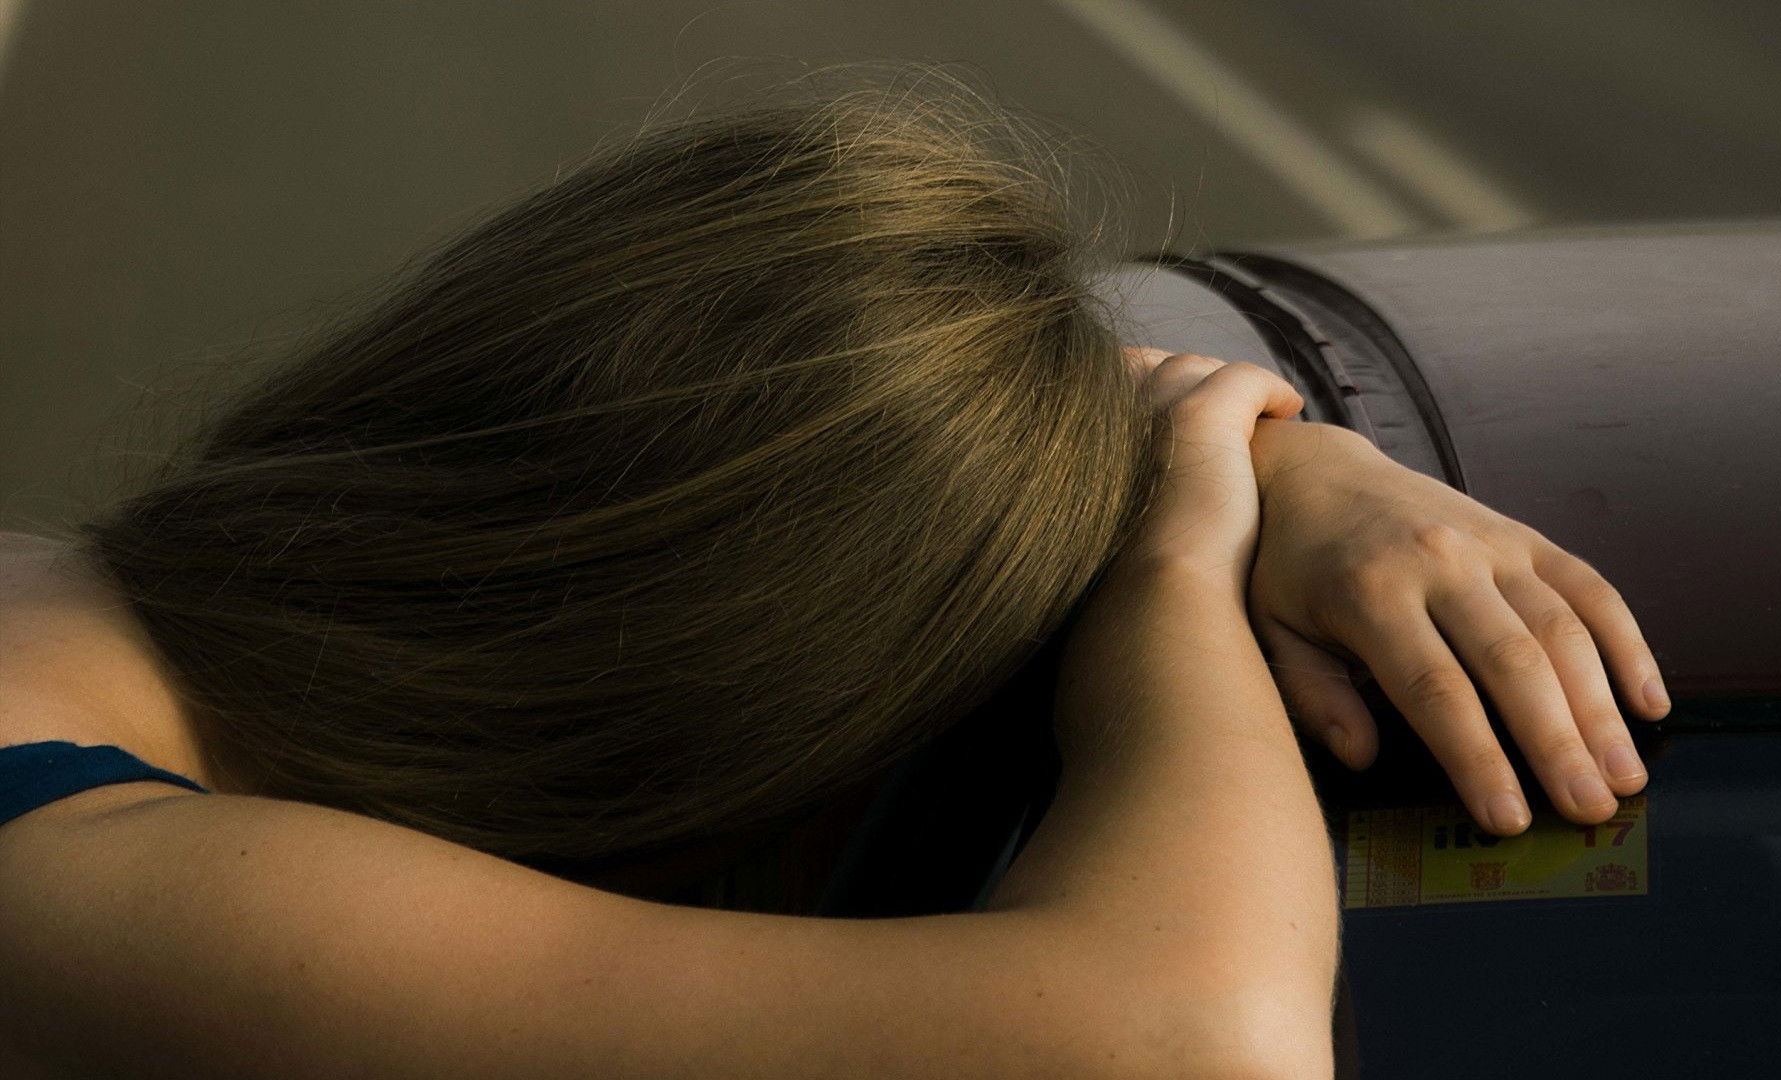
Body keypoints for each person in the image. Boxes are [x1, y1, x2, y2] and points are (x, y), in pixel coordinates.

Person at [0, 65, 1666, 1078]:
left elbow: (815, 397)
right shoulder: (77, 881)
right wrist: (1172, 569)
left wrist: (1285, 455)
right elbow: (1192, 1049)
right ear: (669, 705)